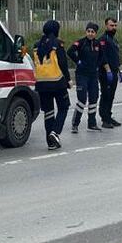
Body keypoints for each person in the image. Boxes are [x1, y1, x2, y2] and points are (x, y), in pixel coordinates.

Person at [33, 20, 72, 150]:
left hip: (42, 83)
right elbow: (63, 63)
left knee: (48, 112)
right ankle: (55, 133)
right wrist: (68, 79)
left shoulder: (36, 45)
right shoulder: (57, 44)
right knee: (64, 107)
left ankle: (50, 142)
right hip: (57, 82)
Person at [67, 22, 104, 133]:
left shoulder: (98, 44)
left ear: (95, 33)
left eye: (92, 32)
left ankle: (91, 124)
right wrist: (78, 61)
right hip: (82, 75)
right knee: (82, 100)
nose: (90, 33)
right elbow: (70, 51)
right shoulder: (81, 42)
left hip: (93, 76)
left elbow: (102, 56)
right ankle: (75, 124)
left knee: (94, 99)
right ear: (86, 32)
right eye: (88, 31)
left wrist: (97, 66)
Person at [98, 17, 122, 129]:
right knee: (106, 95)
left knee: (111, 95)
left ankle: (108, 116)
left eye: (115, 25)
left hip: (114, 70)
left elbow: (115, 57)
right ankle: (104, 119)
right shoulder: (103, 39)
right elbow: (103, 56)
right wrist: (108, 70)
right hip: (105, 72)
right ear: (106, 26)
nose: (113, 27)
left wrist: (120, 70)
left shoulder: (113, 39)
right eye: (111, 25)